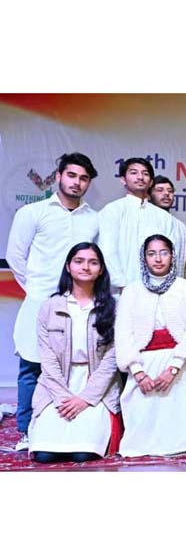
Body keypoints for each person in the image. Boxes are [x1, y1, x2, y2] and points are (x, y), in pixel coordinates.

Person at [6, 152, 100, 451]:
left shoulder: (93, 219)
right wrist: (36, 291)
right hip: (40, 301)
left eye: (83, 178)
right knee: (32, 365)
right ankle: (26, 431)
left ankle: (64, 428)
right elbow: (15, 256)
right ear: (58, 176)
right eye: (72, 175)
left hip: (79, 303)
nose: (77, 182)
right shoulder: (32, 213)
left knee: (74, 366)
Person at [28, 243, 121, 464]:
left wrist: (85, 399)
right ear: (68, 267)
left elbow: (112, 359)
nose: (86, 267)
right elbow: (47, 358)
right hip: (58, 385)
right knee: (45, 454)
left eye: (93, 262)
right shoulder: (50, 307)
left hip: (96, 385)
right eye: (79, 261)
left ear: (101, 269)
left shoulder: (113, 307)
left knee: (84, 454)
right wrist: (63, 398)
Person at [114, 235, 186, 457]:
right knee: (141, 412)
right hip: (142, 363)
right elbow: (123, 334)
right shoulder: (132, 291)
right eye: (151, 253)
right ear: (144, 257)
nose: (158, 259)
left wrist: (173, 368)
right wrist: (138, 373)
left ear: (172, 256)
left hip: (178, 361)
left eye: (163, 252)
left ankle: (180, 444)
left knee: (177, 411)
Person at [98, 157, 176, 294]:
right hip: (119, 291)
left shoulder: (164, 217)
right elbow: (107, 251)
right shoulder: (112, 210)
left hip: (157, 290)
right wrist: (121, 284)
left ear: (151, 181)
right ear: (123, 179)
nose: (140, 177)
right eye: (134, 173)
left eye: (145, 174)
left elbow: (169, 254)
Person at [149, 175, 186, 284]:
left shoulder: (181, 228)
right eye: (160, 190)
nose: (166, 194)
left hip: (176, 290)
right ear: (149, 195)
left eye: (170, 191)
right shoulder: (142, 222)